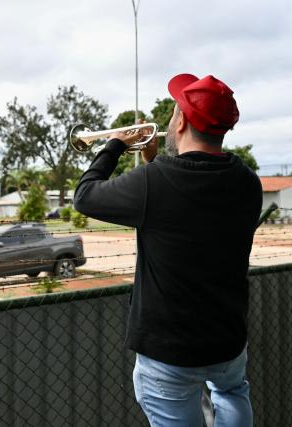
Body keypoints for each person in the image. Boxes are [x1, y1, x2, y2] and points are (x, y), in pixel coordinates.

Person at [74, 74, 262, 426]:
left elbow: (85, 196)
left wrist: (113, 145)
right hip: (227, 341)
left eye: (176, 110)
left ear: (182, 122)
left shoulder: (154, 183)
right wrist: (152, 161)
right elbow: (185, 213)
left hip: (169, 351)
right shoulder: (248, 182)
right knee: (232, 394)